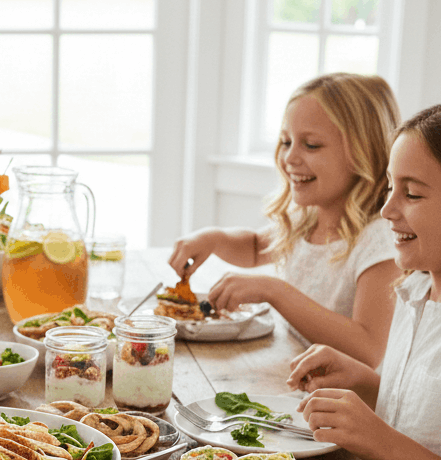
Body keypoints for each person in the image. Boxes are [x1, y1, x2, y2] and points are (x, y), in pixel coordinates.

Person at [288, 100, 441, 460]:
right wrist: (368, 385)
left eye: (412, 194)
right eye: (390, 187)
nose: (387, 209)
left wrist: (386, 445)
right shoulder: (415, 291)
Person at [168, 73, 401, 367]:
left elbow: (368, 348)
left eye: (312, 145)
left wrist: (274, 291)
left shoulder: (379, 241)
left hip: (342, 402)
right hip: (292, 374)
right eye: (286, 141)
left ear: (363, 152)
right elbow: (254, 247)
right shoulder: (307, 218)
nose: (290, 157)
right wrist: (214, 238)